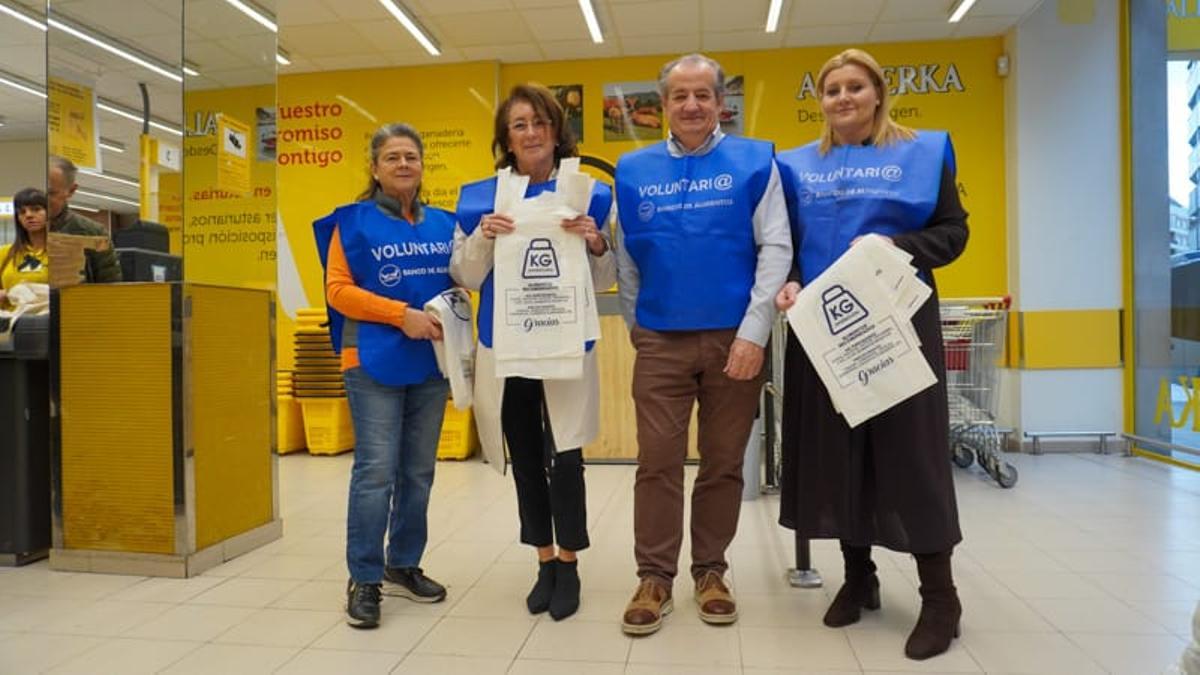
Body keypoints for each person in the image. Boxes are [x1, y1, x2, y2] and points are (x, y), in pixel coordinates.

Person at [773, 48, 969, 661]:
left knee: (911, 457)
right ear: (821, 101)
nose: (843, 98)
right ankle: (859, 578)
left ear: (878, 93)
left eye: (855, 86)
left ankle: (941, 597)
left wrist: (897, 244)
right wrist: (790, 279)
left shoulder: (922, 152)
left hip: (899, 327)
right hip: (823, 329)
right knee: (836, 453)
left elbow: (953, 232)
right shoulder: (797, 166)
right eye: (832, 90)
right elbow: (789, 244)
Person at [614, 53, 792, 636]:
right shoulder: (632, 169)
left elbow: (776, 249)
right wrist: (637, 323)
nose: (691, 105)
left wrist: (753, 332)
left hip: (732, 340)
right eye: (679, 96)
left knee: (721, 464)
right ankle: (655, 578)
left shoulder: (754, 161)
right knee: (657, 462)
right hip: (661, 340)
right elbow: (626, 255)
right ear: (663, 105)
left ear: (722, 103)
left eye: (702, 95)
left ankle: (711, 571)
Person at [451, 83, 615, 622]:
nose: (531, 132)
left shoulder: (588, 194)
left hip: (565, 337)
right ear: (506, 137)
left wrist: (594, 241)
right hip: (508, 341)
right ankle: (542, 559)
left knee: (565, 454)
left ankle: (569, 561)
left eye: (540, 121)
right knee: (524, 453)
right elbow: (467, 275)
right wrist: (484, 238)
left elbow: (607, 276)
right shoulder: (481, 199)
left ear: (556, 130)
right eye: (519, 124)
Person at [315, 123, 454, 629]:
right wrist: (401, 315)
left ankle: (403, 563)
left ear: (421, 166)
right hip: (370, 358)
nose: (402, 164)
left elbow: (466, 279)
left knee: (418, 471)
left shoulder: (444, 224)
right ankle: (365, 578)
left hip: (430, 363)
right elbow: (337, 291)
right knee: (375, 472)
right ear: (374, 168)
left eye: (410, 157)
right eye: (392, 157)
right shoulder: (351, 224)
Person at [47, 155, 121, 283]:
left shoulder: (94, 233)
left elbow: (111, 287)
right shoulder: (22, 228)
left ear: (71, 190)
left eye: (51, 193)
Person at [0, 188, 50, 310]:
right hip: (13, 324)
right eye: (22, 212)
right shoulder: (5, 253)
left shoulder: (62, 254)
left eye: (36, 209)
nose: (28, 215)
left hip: (49, 323)